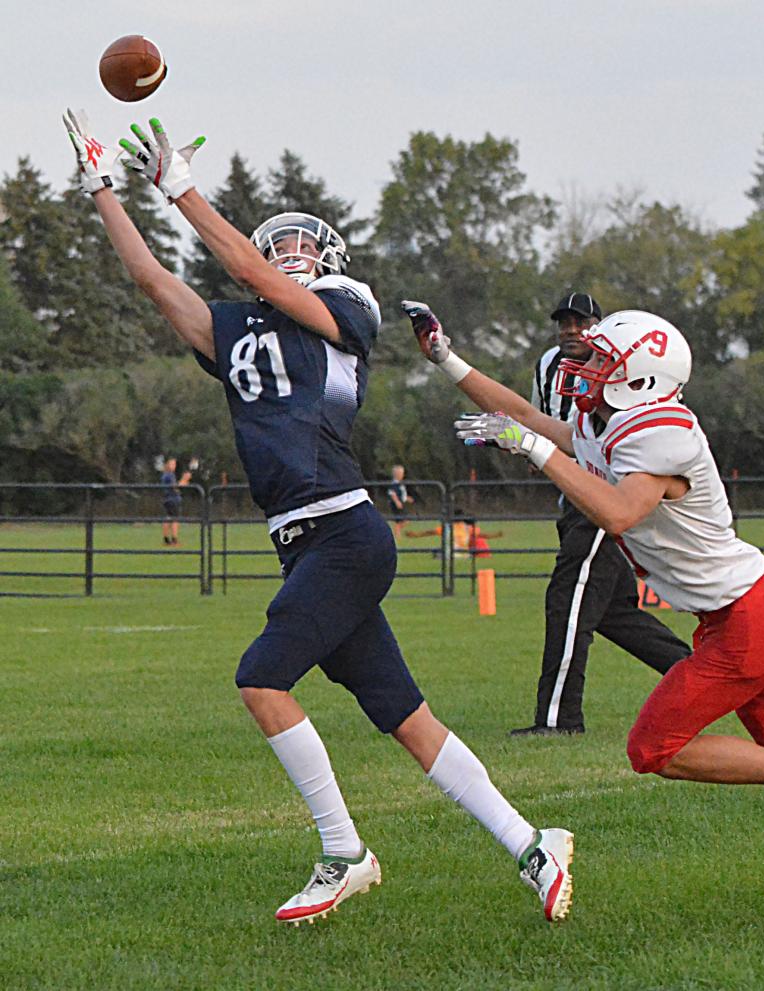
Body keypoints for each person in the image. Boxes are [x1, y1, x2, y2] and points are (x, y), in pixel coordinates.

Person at [63, 109, 573, 925]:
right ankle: (531, 841)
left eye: (300, 245)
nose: (284, 253)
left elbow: (258, 278)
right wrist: (102, 190)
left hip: (344, 529)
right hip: (303, 544)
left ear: (327, 260)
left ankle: (344, 850)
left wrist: (185, 192)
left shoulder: (346, 306)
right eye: (276, 245)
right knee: (407, 718)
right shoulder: (239, 329)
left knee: (261, 679)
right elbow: (157, 284)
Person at [403, 301, 764, 906]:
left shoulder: (661, 431)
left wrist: (535, 452)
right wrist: (448, 360)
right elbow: (532, 418)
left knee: (655, 748)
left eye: (598, 360)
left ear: (640, 374)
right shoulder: (611, 420)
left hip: (749, 617)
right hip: (746, 610)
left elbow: (615, 511)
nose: (583, 366)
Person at [513, 291, 689, 736]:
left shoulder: (622, 367)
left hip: (603, 497)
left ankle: (558, 720)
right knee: (613, 613)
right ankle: (703, 675)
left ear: (599, 325)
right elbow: (541, 418)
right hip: (571, 496)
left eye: (581, 322)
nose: (571, 330)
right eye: (564, 322)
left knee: (567, 602)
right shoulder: (547, 365)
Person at [159, 457, 192, 546]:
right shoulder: (170, 475)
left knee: (168, 518)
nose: (174, 466)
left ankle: (166, 540)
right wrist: (185, 479)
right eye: (172, 464)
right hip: (172, 500)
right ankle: (174, 540)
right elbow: (176, 487)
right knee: (175, 519)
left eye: (175, 464)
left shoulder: (165, 475)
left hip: (167, 499)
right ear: (167, 464)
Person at [386, 464, 414, 538]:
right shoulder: (394, 484)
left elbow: (401, 494)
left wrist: (407, 498)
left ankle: (397, 533)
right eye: (401, 473)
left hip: (400, 503)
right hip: (396, 504)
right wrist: (397, 501)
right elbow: (392, 493)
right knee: (403, 520)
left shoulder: (400, 484)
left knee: (404, 520)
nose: (402, 475)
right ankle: (397, 533)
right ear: (397, 474)